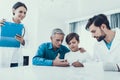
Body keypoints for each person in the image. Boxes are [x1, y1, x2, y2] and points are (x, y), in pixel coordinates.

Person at [0, 2, 28, 67]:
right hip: (2, 57)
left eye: (24, 13)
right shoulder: (3, 22)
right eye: (20, 12)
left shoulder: (24, 27)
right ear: (13, 10)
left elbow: (27, 43)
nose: (23, 14)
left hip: (15, 59)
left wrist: (22, 41)